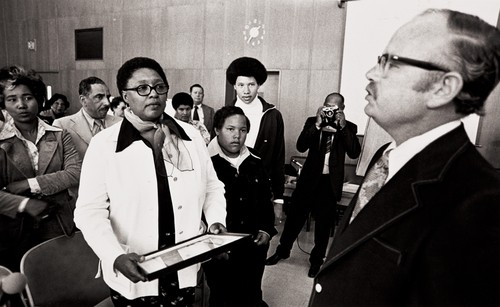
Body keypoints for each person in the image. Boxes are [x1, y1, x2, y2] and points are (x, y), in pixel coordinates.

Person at [309, 9, 500, 306]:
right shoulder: (385, 160)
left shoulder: (481, 207)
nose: (371, 74)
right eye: (378, 60)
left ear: (442, 88)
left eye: (392, 63)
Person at [74, 57, 227, 307]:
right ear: (125, 97)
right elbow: (89, 212)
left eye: (159, 87)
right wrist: (115, 256)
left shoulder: (190, 136)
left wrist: (216, 220)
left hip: (183, 262)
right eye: (142, 89)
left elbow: (212, 187)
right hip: (134, 266)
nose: (153, 94)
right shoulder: (105, 144)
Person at [266, 93, 361, 278]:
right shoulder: (312, 121)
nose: (330, 111)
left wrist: (342, 126)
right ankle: (282, 251)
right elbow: (301, 146)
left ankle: (316, 261)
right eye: (327, 106)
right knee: (294, 219)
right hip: (308, 180)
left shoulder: (349, 126)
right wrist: (317, 125)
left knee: (324, 226)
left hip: (329, 183)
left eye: (334, 108)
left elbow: (354, 151)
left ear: (342, 109)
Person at [0, 65, 81, 271]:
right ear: (4, 103)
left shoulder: (60, 135)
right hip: (13, 230)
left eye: (27, 97)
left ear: (38, 98)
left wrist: (27, 184)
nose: (21, 105)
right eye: (12, 99)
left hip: (59, 224)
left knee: (62, 278)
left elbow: (75, 173)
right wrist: (25, 204)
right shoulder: (1, 141)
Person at [204, 106, 277, 307]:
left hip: (253, 243)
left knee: (252, 292)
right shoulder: (204, 161)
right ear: (217, 130)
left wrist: (266, 229)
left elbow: (265, 199)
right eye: (230, 129)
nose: (237, 136)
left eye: (242, 130)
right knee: (223, 296)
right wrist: (212, 245)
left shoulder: (255, 159)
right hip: (221, 246)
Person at [226, 57, 285, 204]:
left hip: (261, 192)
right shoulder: (224, 114)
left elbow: (278, 157)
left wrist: (278, 198)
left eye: (251, 84)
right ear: (234, 86)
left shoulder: (273, 115)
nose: (246, 91)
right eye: (241, 85)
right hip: (229, 191)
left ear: (259, 85)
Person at [52, 76, 121, 159]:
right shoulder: (62, 125)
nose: (107, 103)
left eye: (108, 97)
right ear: (83, 100)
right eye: (99, 97)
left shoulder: (120, 123)